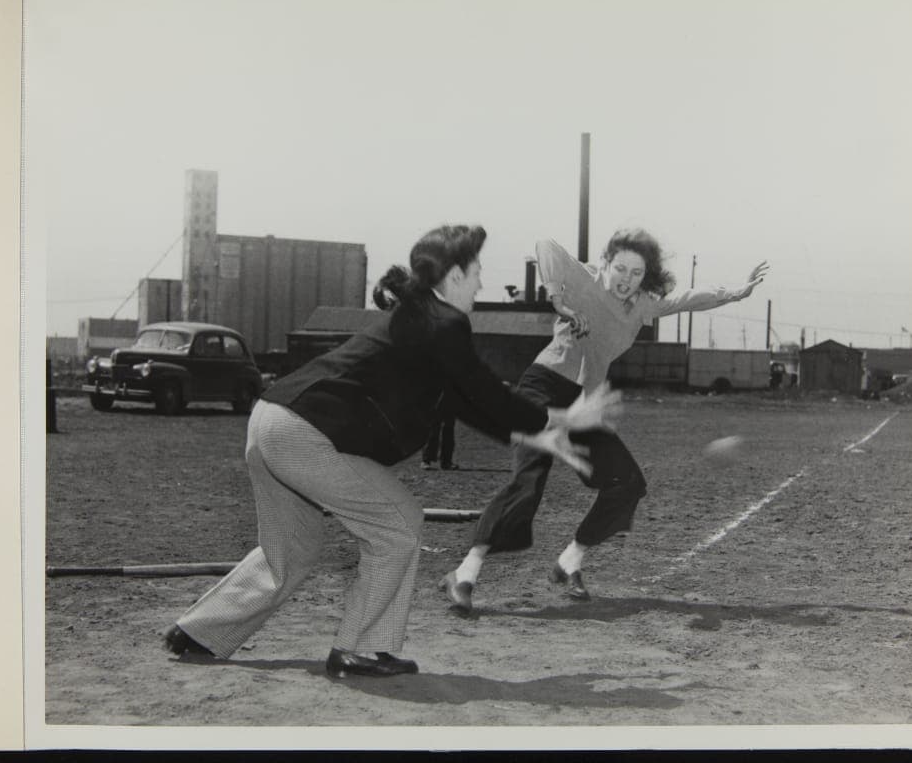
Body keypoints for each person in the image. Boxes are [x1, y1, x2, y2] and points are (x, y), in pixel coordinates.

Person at [162, 224, 625, 678]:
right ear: (455, 276)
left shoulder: (425, 318)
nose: (483, 279)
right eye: (477, 269)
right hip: (303, 433)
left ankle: (200, 633)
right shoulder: (445, 322)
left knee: (292, 550)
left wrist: (539, 431)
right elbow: (488, 394)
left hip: (272, 421)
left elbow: (464, 400)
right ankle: (362, 650)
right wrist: (559, 419)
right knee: (399, 523)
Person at [441, 230, 767, 612]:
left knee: (627, 483)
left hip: (586, 405)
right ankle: (465, 572)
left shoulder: (644, 305)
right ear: (607, 264)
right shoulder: (587, 281)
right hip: (542, 390)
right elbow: (546, 245)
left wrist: (736, 292)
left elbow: (688, 299)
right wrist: (558, 298)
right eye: (620, 268)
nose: (626, 278)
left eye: (636, 272)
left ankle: (570, 560)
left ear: (646, 277)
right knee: (528, 480)